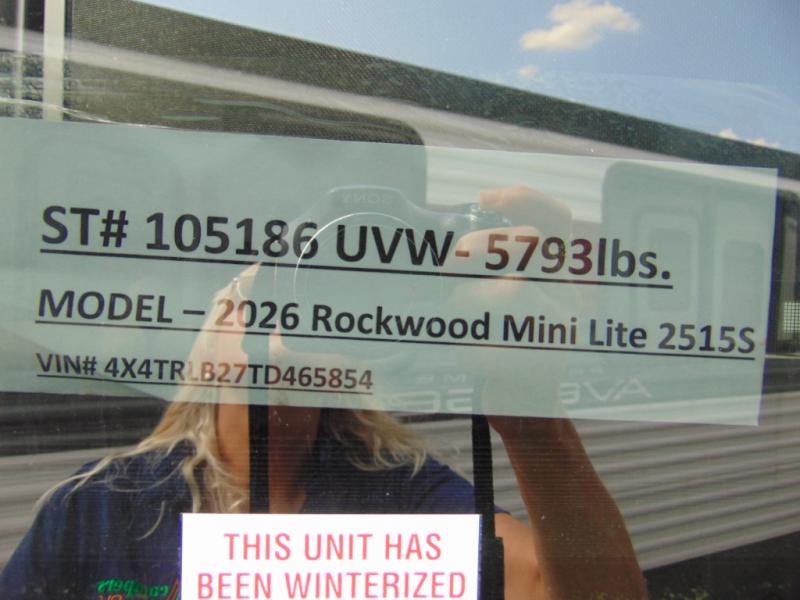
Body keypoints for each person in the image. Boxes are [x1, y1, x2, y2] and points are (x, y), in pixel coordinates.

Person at [0, 187, 648, 599]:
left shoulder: (401, 493)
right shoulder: (103, 505)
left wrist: (533, 417)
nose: (293, 312)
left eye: (327, 292)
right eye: (261, 292)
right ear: (206, 345)